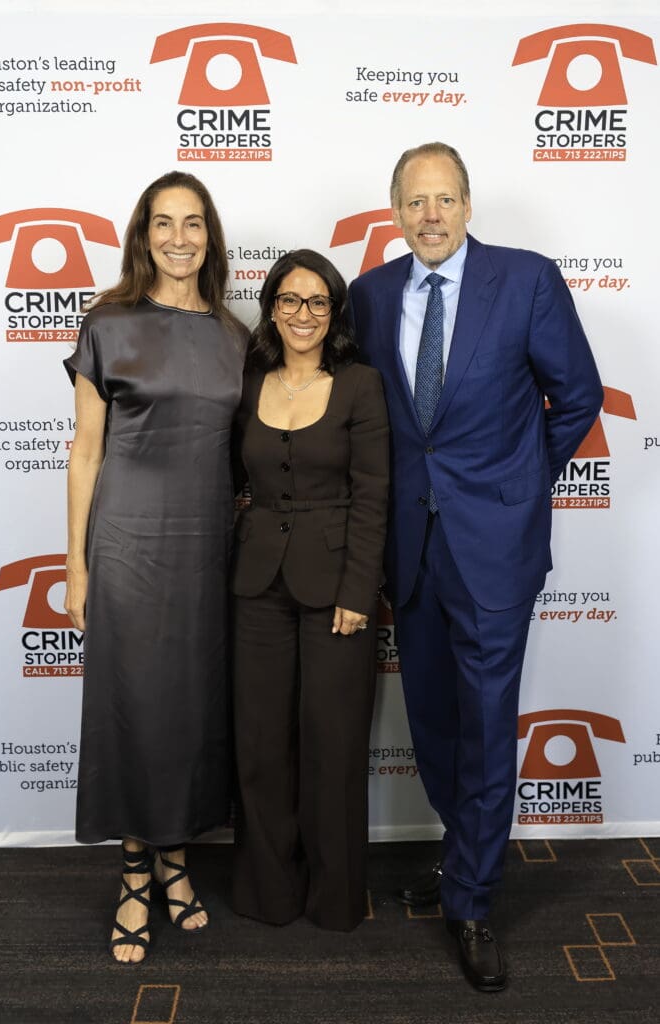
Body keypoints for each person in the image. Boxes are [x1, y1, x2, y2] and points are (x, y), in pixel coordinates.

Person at [348, 143, 603, 989]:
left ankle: (473, 900)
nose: (430, 215)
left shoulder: (525, 280)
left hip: (495, 546)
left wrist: (517, 484)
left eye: (444, 199)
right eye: (414, 201)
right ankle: (466, 856)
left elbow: (577, 395)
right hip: (410, 548)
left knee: (489, 724)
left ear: (466, 204)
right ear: (395, 210)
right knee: (433, 721)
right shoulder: (369, 294)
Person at [64, 171, 246, 964]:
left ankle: (175, 860)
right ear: (143, 235)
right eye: (163, 222)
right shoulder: (108, 324)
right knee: (135, 708)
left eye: (193, 222)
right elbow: (85, 452)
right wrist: (74, 566)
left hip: (207, 550)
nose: (178, 237)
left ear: (210, 237)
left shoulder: (236, 336)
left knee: (190, 711)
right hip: (127, 545)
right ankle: (136, 872)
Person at [230, 249, 389, 931]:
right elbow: (228, 478)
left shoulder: (360, 385)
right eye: (290, 300)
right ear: (271, 307)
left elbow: (373, 496)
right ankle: (268, 890)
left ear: (334, 313)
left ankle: (335, 898)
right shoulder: (249, 382)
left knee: (334, 744)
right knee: (261, 744)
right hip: (255, 585)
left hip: (336, 590)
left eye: (318, 301)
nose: (303, 314)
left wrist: (359, 590)